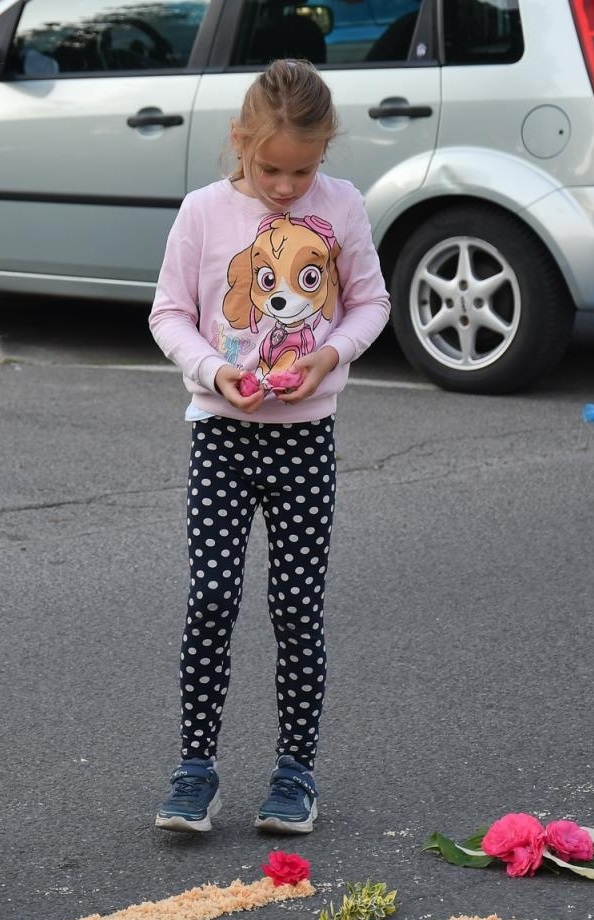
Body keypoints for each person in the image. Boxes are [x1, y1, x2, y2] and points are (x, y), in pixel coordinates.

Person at [148, 59, 390, 835]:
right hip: (220, 436)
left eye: (304, 170)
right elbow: (168, 314)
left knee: (295, 607)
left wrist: (330, 356)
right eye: (270, 168)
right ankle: (195, 769)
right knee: (211, 600)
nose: (287, 186)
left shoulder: (343, 206)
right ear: (239, 143)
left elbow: (370, 303)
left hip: (304, 439)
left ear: (325, 154)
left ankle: (295, 772)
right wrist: (214, 371)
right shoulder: (202, 212)